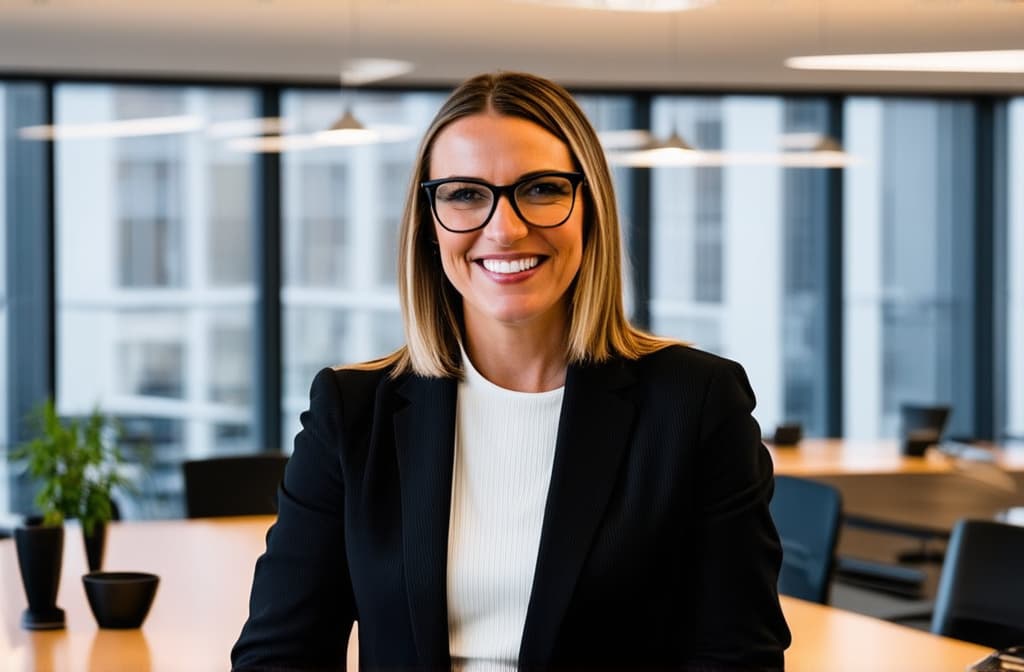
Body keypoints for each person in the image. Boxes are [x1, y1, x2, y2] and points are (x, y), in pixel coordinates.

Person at [231, 71, 790, 671]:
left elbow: (737, 659)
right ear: (429, 222)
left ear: (590, 209)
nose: (505, 228)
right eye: (466, 194)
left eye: (543, 189)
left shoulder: (696, 402)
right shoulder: (353, 411)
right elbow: (279, 656)